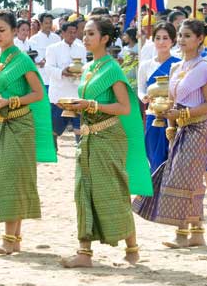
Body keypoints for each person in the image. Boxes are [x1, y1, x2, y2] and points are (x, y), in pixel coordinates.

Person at [60, 16, 152, 268]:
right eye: (84, 33)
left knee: (114, 192)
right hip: (89, 138)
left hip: (109, 138)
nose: (85, 38)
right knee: (83, 191)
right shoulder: (89, 68)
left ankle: (132, 248)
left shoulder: (112, 69)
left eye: (91, 34)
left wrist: (91, 104)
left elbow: (124, 107)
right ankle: (84, 252)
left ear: (104, 39)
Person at [133, 19, 207, 249]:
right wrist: (170, 120)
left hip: (199, 128)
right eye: (181, 35)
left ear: (199, 39)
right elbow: (173, 99)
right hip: (178, 128)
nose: (182, 40)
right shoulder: (177, 67)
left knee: (185, 179)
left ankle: (182, 232)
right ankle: (196, 233)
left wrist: (183, 113)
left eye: (187, 36)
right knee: (188, 180)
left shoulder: (203, 67)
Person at [0, 10, 57, 255]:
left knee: (12, 179)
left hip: (20, 125)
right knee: (7, 177)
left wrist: (11, 102)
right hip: (0, 124)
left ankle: (9, 240)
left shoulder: (23, 60)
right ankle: (15, 238)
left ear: (13, 32)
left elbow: (38, 94)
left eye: (2, 30)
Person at [138, 22, 180, 173]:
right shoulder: (146, 65)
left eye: (165, 38)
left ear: (173, 41)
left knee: (169, 154)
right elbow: (140, 88)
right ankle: (153, 189)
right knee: (152, 152)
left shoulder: (178, 64)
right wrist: (144, 97)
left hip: (172, 116)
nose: (161, 42)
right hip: (152, 115)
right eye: (158, 38)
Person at [45, 21, 87, 146]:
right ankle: (53, 145)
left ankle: (80, 146)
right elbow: (48, 68)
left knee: (78, 122)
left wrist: (81, 73)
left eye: (75, 32)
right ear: (62, 33)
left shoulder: (81, 48)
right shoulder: (53, 48)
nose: (72, 35)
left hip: (75, 91)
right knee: (56, 124)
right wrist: (62, 72)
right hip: (59, 93)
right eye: (69, 32)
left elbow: (85, 66)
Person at [28, 12, 60, 86]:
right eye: (46, 23)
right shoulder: (34, 39)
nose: (49, 25)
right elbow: (36, 56)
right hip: (42, 76)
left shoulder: (57, 38)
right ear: (41, 24)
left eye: (50, 23)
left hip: (55, 76)